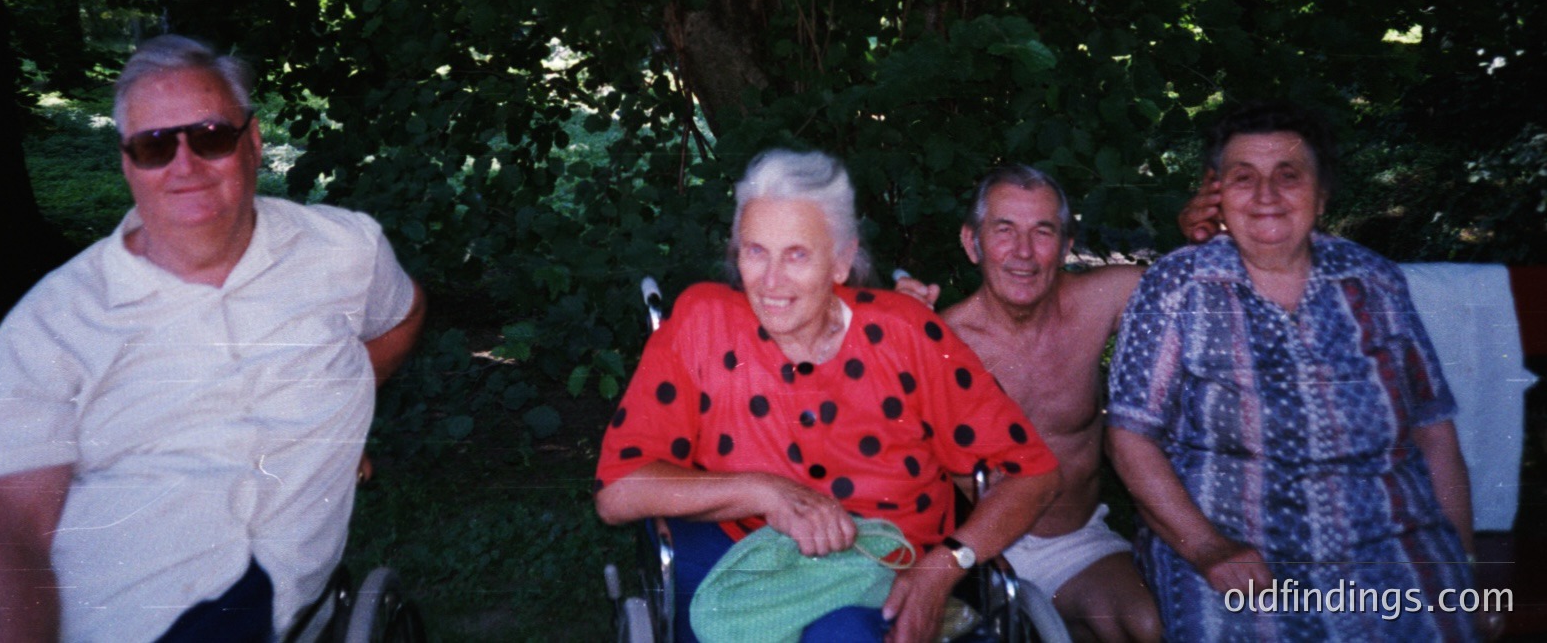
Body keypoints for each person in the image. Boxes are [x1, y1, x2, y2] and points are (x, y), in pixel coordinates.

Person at [0, 36, 426, 643]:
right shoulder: (54, 319)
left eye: (209, 136)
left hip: (224, 598)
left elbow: (402, 315)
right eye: (155, 146)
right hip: (35, 598)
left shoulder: (344, 250)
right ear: (129, 165)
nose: (185, 166)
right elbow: (5, 526)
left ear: (253, 143)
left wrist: (343, 411)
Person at [595, 149, 1061, 643]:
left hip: (885, 570)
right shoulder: (703, 325)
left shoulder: (906, 336)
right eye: (756, 251)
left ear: (840, 262)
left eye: (797, 254)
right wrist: (764, 492)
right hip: (741, 560)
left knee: (846, 635)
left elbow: (1033, 474)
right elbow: (619, 489)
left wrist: (942, 568)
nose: (771, 282)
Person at [1105, 101, 1482, 641]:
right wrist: (1209, 549)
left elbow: (1434, 431)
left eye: (1289, 176)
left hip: (1386, 543)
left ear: (1321, 194)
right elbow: (1130, 437)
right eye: (1244, 178)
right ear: (1218, 194)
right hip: (1233, 545)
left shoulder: (1374, 282)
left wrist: (1464, 570)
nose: (1265, 196)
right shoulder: (1177, 285)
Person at [933, 167, 1161, 643]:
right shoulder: (939, 341)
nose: (1023, 252)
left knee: (1147, 626)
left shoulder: (1102, 300)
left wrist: (1204, 232)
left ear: (1065, 243)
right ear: (972, 242)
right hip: (978, 551)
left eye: (1042, 232)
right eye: (1004, 230)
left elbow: (1204, 296)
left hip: (1074, 541)